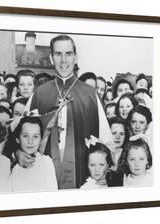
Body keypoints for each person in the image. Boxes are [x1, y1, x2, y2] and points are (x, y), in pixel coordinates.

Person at [18, 34, 112, 189]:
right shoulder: (40, 93)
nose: (63, 60)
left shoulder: (90, 94)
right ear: (51, 58)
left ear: (75, 57)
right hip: (44, 174)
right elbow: (21, 134)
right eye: (58, 54)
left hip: (83, 175)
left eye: (68, 54)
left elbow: (106, 141)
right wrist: (18, 153)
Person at [11, 117, 58, 192]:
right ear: (18, 139)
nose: (30, 141)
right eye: (25, 136)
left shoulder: (46, 162)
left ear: (40, 140)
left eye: (35, 136)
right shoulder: (12, 164)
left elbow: (52, 193)